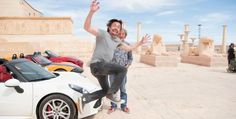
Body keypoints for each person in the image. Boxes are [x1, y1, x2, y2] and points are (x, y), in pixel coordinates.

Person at [81, 0, 150, 109]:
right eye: (114, 26)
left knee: (105, 90)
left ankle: (85, 99)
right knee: (122, 69)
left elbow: (128, 48)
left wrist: (140, 43)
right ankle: (112, 94)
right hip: (98, 65)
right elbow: (87, 27)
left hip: (101, 71)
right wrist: (91, 12)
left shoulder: (117, 41)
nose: (116, 28)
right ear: (109, 27)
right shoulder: (103, 34)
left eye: (118, 27)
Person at [107, 29, 132, 114]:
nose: (121, 35)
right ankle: (113, 106)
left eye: (123, 34)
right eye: (120, 34)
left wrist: (127, 66)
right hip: (113, 71)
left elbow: (130, 58)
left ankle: (124, 106)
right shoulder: (112, 45)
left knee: (123, 89)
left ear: (125, 35)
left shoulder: (128, 45)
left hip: (122, 72)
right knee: (113, 89)